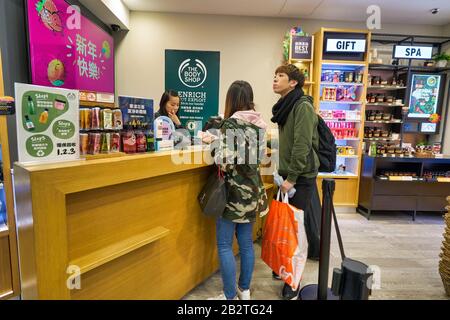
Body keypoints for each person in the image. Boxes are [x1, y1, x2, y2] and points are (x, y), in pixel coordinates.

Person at [208, 81, 268, 300]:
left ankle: (228, 295)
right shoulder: (261, 125)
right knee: (246, 244)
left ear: (231, 100)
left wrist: (213, 143)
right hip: (253, 192)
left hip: (232, 194)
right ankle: (245, 290)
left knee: (224, 244)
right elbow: (259, 158)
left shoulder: (230, 125)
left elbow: (223, 161)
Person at [271, 64, 320, 300]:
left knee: (296, 231)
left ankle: (294, 281)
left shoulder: (302, 106)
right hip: (288, 176)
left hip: (300, 178)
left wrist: (291, 179)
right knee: (284, 226)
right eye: (275, 75)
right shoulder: (285, 107)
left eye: (280, 76)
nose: (275, 79)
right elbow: (288, 142)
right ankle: (282, 266)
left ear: (293, 83)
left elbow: (302, 146)